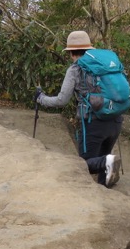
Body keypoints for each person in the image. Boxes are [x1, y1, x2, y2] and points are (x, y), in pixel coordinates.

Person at [34, 30, 123, 187]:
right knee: (104, 162)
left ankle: (107, 163)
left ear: (71, 53)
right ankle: (106, 190)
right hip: (115, 119)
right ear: (89, 49)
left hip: (93, 122)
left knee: (85, 164)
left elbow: (62, 100)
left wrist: (41, 99)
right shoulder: (105, 66)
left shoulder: (75, 69)